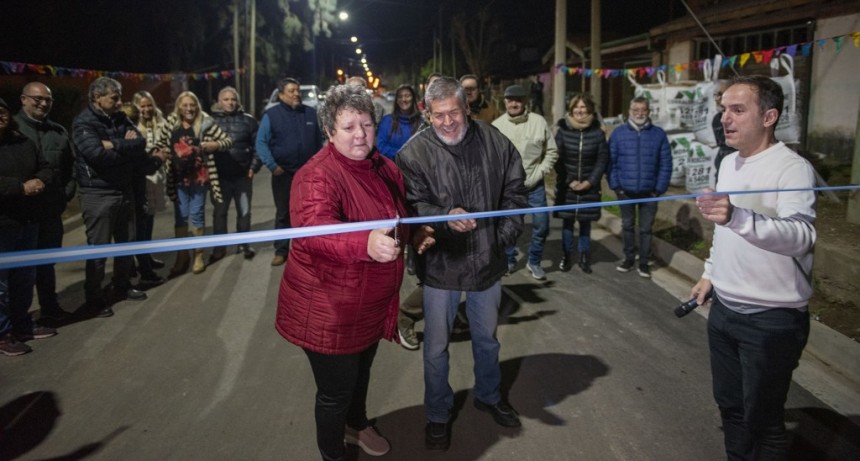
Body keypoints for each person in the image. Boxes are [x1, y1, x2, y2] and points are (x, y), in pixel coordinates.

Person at [276, 84, 432, 461]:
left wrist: (413, 233)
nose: (360, 133)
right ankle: (333, 452)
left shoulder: (383, 166)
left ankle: (357, 424)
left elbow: (396, 216)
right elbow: (317, 234)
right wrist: (364, 244)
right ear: (329, 132)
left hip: (370, 302)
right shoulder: (315, 176)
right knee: (334, 392)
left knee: (360, 376)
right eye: (348, 127)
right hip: (330, 309)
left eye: (366, 123)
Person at [396, 77, 527, 451]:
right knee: (436, 346)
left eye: (455, 112)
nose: (448, 122)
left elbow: (515, 193)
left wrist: (500, 239)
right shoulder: (413, 153)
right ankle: (438, 414)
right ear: (427, 113)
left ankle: (489, 394)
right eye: (439, 115)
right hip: (442, 265)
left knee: (487, 339)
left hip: (487, 260)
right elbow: (409, 205)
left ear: (466, 107)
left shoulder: (495, 141)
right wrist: (441, 216)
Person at [690, 75, 816, 460]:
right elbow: (723, 231)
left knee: (764, 421)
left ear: (769, 116)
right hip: (724, 312)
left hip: (771, 319)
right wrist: (710, 273)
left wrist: (737, 217)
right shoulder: (728, 162)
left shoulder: (792, 168)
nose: (725, 118)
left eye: (738, 110)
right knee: (730, 408)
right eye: (724, 109)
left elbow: (802, 236)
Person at [73, 77, 166, 317]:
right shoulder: (84, 123)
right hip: (98, 193)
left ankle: (122, 285)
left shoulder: (121, 118)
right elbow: (96, 156)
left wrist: (112, 145)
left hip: (124, 191)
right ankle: (94, 298)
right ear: (97, 97)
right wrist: (123, 148)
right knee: (99, 251)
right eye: (115, 98)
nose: (120, 102)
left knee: (127, 243)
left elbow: (140, 142)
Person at [14, 82, 76, 321]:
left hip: (50, 212)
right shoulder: (11, 130)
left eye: (47, 100)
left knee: (47, 264)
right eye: (37, 98)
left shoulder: (58, 132)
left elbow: (72, 167)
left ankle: (50, 308)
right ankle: (18, 319)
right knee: (20, 269)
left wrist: (66, 193)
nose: (42, 103)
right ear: (23, 99)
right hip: (21, 214)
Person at [0, 97, 56, 356]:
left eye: (1, 111)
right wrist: (19, 188)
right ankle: (3, 333)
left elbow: (46, 167)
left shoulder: (23, 141)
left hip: (27, 221)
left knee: (24, 278)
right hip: (3, 225)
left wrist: (40, 181)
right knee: (1, 284)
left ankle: (22, 324)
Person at [155, 91, 232, 276]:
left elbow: (228, 140)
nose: (189, 109)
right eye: (185, 105)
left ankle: (198, 255)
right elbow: (158, 145)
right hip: (178, 177)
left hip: (200, 176)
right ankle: (182, 256)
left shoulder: (205, 122)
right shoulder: (171, 123)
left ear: (197, 106)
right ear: (179, 107)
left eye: (192, 105)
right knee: (180, 217)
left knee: (196, 214)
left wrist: (215, 145)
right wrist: (163, 152)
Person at [492, 84, 558, 279]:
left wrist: (540, 171)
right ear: (505, 102)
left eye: (519, 100)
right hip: (510, 188)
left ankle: (534, 260)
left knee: (542, 225)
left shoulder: (538, 122)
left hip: (535, 185)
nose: (514, 103)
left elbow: (552, 151)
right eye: (511, 100)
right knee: (511, 226)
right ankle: (510, 259)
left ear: (525, 101)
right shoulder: (497, 126)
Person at [256, 77, 323, 266]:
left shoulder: (310, 113)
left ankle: (310, 249)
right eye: (291, 91)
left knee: (311, 211)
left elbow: (319, 143)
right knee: (284, 213)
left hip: (309, 174)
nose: (296, 94)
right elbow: (261, 142)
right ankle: (281, 250)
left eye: (297, 90)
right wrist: (272, 165)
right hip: (283, 173)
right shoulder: (271, 115)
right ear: (281, 95)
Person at [608, 97, 671, 279]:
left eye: (643, 110)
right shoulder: (618, 134)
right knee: (627, 225)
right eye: (635, 109)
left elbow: (665, 163)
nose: (639, 113)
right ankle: (628, 258)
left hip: (650, 192)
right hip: (625, 191)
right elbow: (611, 162)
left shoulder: (658, 134)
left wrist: (658, 189)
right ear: (629, 111)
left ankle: (643, 262)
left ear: (649, 111)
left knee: (645, 228)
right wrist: (616, 186)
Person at [553, 92, 609, 274]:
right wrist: (569, 181)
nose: (580, 110)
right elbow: (556, 158)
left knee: (586, 224)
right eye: (576, 107)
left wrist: (590, 182)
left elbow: (602, 160)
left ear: (590, 109)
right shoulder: (562, 131)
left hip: (589, 187)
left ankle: (584, 257)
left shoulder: (597, 132)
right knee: (567, 223)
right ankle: (566, 256)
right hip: (567, 186)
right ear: (571, 109)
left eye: (583, 107)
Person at [210, 86, 260, 261]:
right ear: (219, 102)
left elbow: (258, 147)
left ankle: (244, 244)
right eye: (226, 99)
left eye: (233, 99)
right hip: (219, 178)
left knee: (244, 212)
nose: (230, 103)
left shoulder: (249, 121)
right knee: (219, 214)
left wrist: (253, 167)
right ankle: (219, 248)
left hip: (243, 176)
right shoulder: (209, 121)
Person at [132, 91, 170, 279]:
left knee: (150, 218)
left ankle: (146, 256)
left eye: (149, 105)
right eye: (142, 106)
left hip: (156, 176)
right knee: (141, 221)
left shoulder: (161, 122)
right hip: (141, 178)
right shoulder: (132, 126)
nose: (146, 109)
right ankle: (140, 262)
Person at [376, 84, 421, 160]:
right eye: (400, 97)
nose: (404, 99)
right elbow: (381, 146)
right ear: (396, 100)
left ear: (413, 98)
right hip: (391, 168)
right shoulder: (386, 121)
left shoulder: (421, 123)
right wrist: (402, 155)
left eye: (407, 96)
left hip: (415, 168)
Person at [711, 82, 735, 185]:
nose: (717, 98)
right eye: (716, 94)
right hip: (722, 160)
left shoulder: (740, 119)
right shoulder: (717, 119)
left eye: (721, 94)